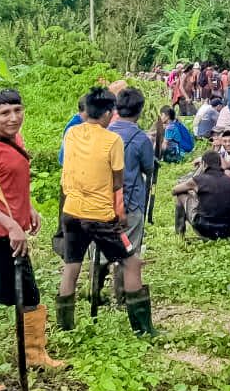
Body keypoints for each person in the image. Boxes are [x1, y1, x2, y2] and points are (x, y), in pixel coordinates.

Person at [0, 90, 66, 391]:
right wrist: (10, 223)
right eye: (5, 113)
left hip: (14, 235)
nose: (13, 118)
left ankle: (34, 354)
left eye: (17, 110)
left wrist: (29, 209)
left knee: (30, 297)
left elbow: (12, 187)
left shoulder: (18, 142)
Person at [57, 87, 157, 336]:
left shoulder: (71, 135)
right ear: (108, 113)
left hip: (70, 212)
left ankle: (65, 328)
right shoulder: (112, 141)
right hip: (101, 216)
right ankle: (143, 328)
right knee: (132, 263)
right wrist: (120, 213)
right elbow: (117, 183)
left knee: (72, 266)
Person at [89, 87, 156, 311]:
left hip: (101, 201)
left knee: (100, 248)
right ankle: (122, 299)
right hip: (131, 203)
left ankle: (94, 292)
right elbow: (148, 167)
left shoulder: (102, 133)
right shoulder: (141, 139)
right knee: (129, 252)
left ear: (116, 108)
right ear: (140, 111)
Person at [173, 150, 230, 240]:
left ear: (204, 164)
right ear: (220, 164)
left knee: (181, 194)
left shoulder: (198, 180)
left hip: (204, 228)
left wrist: (192, 190)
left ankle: (180, 234)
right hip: (227, 229)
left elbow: (174, 190)